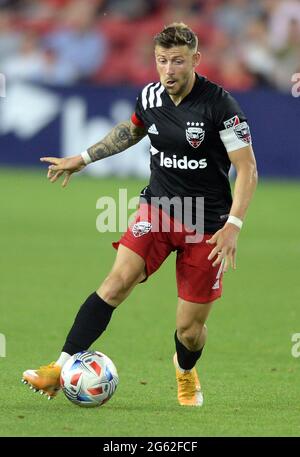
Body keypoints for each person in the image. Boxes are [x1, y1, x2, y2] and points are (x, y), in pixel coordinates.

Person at [22, 23, 258, 407]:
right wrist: (82, 159)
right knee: (117, 281)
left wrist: (233, 225)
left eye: (177, 61)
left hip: (208, 223)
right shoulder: (149, 97)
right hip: (158, 209)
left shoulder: (221, 106)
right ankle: (60, 366)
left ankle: (184, 370)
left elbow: (247, 168)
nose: (168, 69)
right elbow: (130, 132)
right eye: (162, 60)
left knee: (190, 330)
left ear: (196, 60)